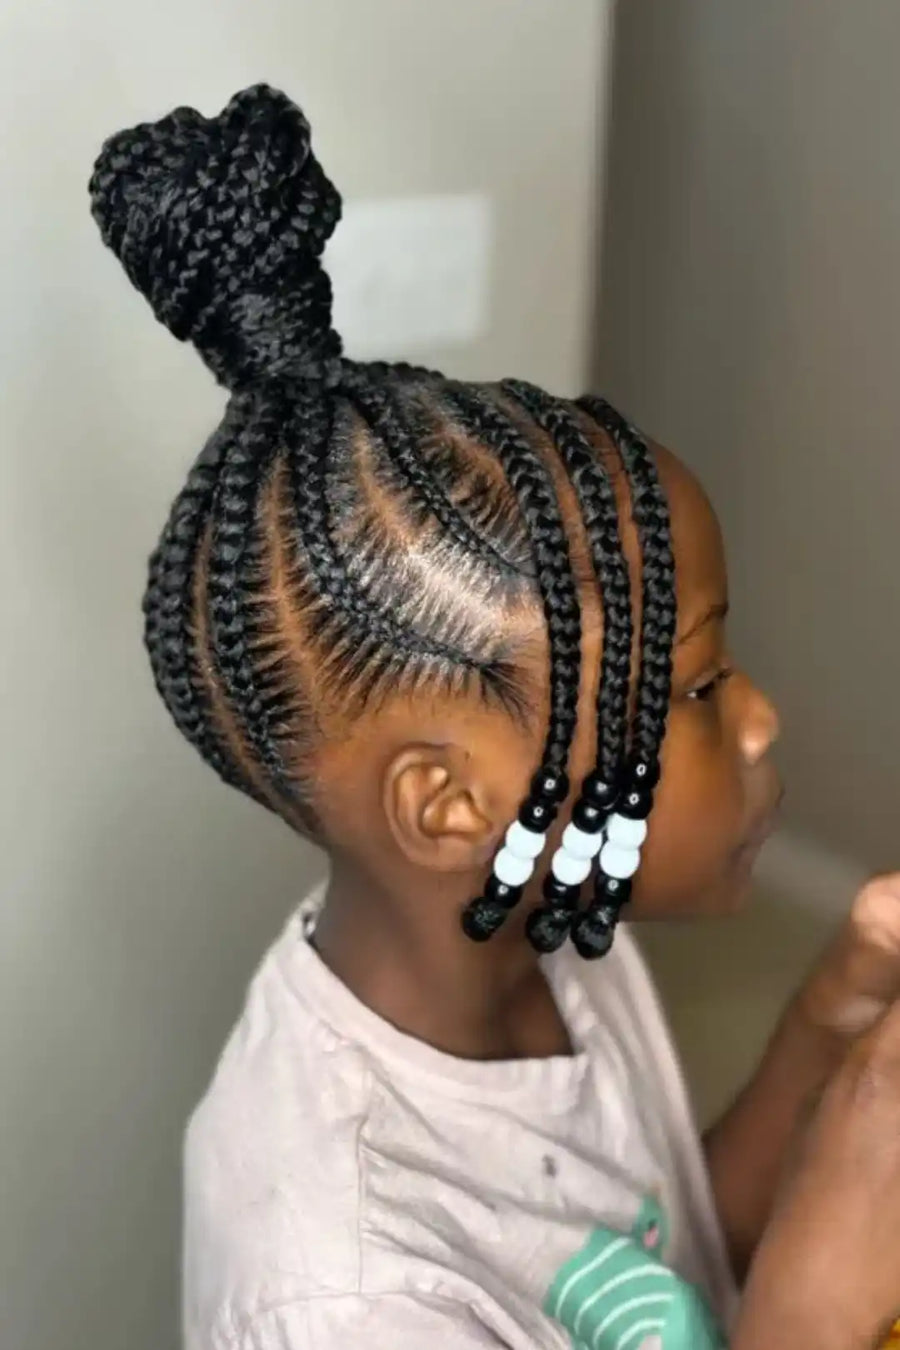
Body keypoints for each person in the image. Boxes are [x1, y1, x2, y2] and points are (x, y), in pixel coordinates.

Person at [90, 85, 900, 1350]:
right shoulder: (347, 1295)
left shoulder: (550, 929)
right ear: (453, 804)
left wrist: (827, 1026)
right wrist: (816, 1306)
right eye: (693, 686)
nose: (758, 722)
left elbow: (663, 1263)